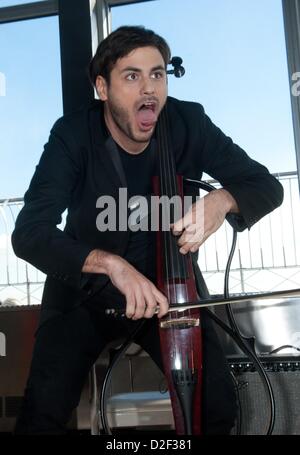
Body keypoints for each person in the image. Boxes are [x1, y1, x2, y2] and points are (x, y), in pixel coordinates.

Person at [12, 25, 283, 435]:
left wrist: (223, 199)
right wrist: (110, 265)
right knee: (43, 412)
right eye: (132, 76)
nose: (149, 90)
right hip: (84, 294)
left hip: (169, 294)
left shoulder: (188, 121)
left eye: (157, 74)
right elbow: (29, 232)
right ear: (102, 88)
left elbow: (266, 185)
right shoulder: (72, 135)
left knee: (217, 406)